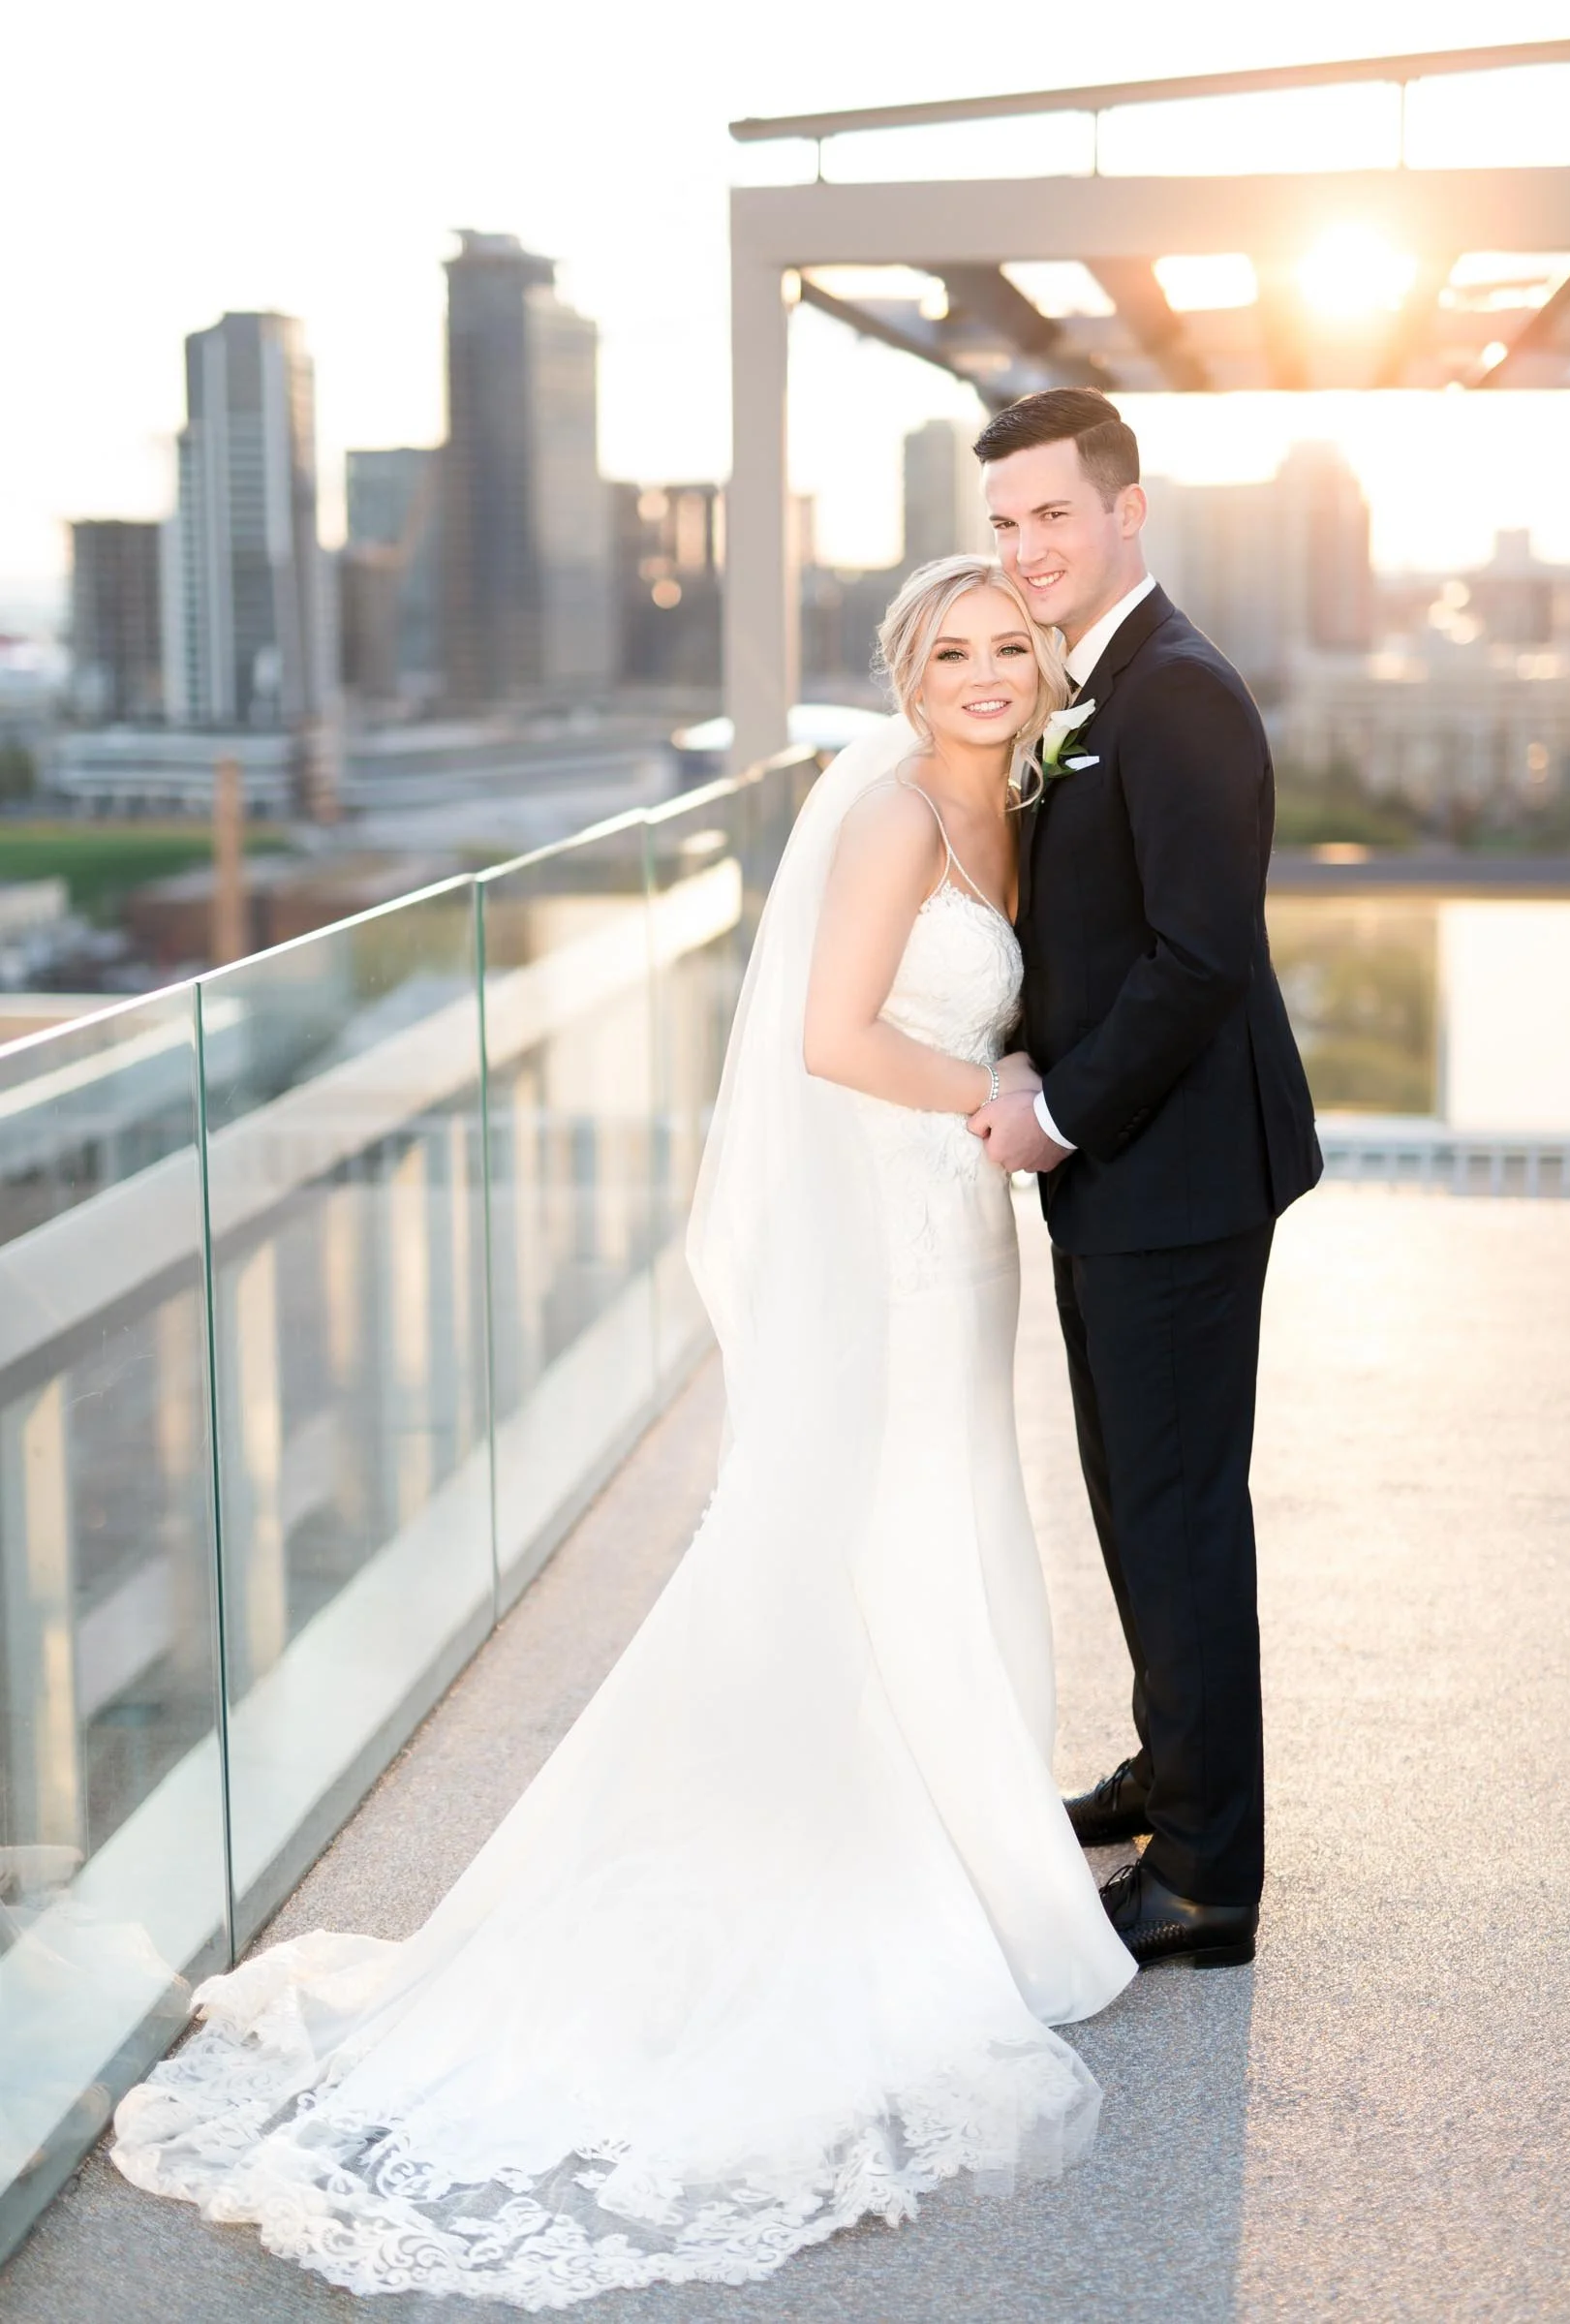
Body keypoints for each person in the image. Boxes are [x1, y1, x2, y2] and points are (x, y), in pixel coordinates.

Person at [110, 557, 1135, 2308]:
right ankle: (898, 1873)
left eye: (1007, 646)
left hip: (959, 1226)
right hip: (902, 1212)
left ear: (1048, 661)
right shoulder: (892, 817)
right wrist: (999, 1091)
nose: (982, 672)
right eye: (947, 652)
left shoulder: (1022, 805)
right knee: (876, 1532)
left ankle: (974, 1846)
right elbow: (828, 1037)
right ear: (905, 682)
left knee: (954, 1519)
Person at [970, 388, 1323, 1970]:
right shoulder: (1081, 689)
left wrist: (1059, 1112)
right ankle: (1170, 1771)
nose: (1025, 548)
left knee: (1173, 1514)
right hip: (1128, 1170)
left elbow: (1195, 960)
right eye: (1002, 523)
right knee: (1133, 1497)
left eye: (1052, 514)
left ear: (1126, 510)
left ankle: (1204, 1879)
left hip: (1170, 1168)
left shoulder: (1175, 692)